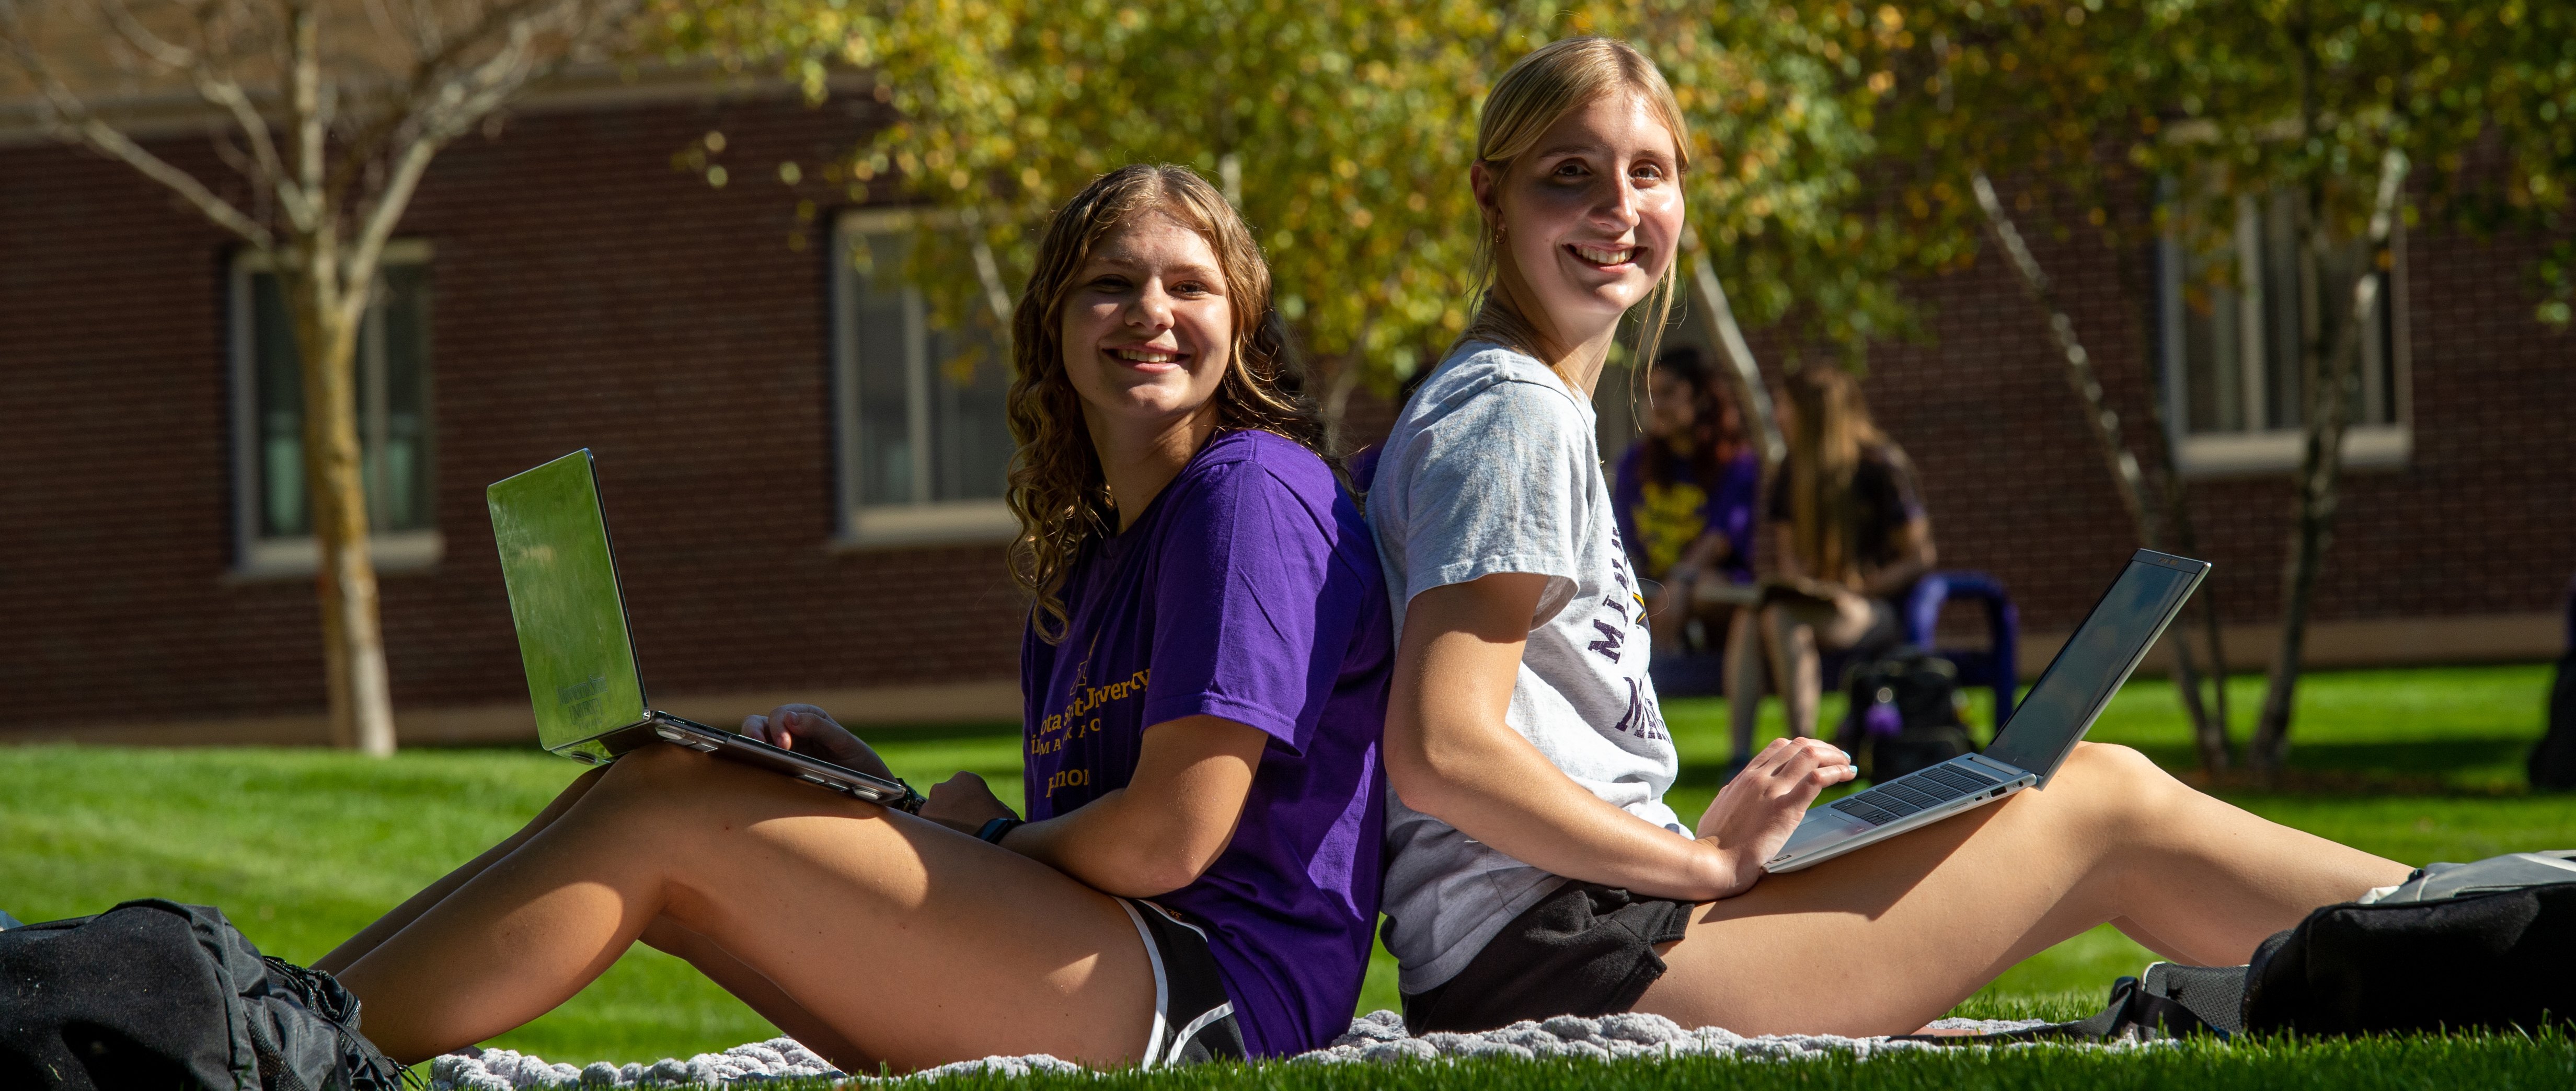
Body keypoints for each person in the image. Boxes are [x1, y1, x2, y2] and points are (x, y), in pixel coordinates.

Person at [1365, 36, 2413, 1039]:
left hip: (1585, 928)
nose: (1618, 209)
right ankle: (2485, 933)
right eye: (1569, 173)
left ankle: (2467, 925)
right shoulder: (1512, 413)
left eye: (1650, 172)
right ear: (1489, 195)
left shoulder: (1520, 404)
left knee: (2085, 787)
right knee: (2108, 810)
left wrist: (1687, 844)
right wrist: (1703, 868)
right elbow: (1441, 749)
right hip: (1560, 959)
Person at [317, 165, 1393, 1070]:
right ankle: (277, 1010)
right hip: (1121, 962)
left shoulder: (1252, 490)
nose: (1150, 313)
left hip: (1221, 1007)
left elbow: (1168, 838)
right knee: (643, 792)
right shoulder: (1092, 561)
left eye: (1189, 287)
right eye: (1109, 285)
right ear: (1055, 330)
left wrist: (990, 838)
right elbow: (1072, 855)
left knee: (664, 809)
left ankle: (275, 1050)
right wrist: (901, 813)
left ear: (1241, 324)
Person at [1722, 364, 1935, 756]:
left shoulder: (1880, 465)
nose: (1778, 414)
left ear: (1814, 411)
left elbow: (1920, 557)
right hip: (1816, 605)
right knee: (1752, 616)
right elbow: (1790, 558)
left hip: (1876, 609)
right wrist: (1805, 585)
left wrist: (1858, 588)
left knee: (1781, 617)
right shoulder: (1792, 469)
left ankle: (1801, 749)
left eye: (1785, 405)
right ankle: (1737, 758)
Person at [1611, 344, 1759, 657]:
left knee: (1697, 591)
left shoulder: (1737, 463)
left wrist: (1678, 582)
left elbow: (1721, 539)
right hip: (1651, 584)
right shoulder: (1634, 465)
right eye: (1648, 395)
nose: (1655, 406)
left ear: (1701, 397)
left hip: (1715, 590)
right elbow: (1623, 540)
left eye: (1666, 393)